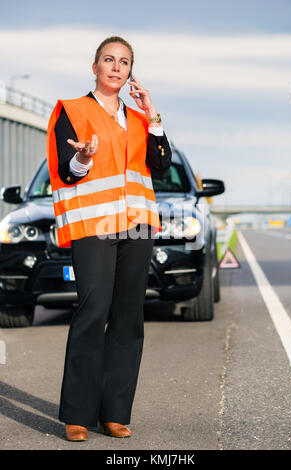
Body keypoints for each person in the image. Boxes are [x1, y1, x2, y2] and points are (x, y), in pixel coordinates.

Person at [46, 36, 172, 441]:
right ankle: (78, 415)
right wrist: (83, 156)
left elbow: (161, 165)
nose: (116, 67)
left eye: (124, 62)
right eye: (108, 60)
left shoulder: (139, 120)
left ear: (130, 71)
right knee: (92, 310)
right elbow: (67, 170)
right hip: (94, 227)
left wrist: (154, 118)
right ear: (95, 66)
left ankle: (115, 413)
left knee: (128, 318)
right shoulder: (72, 110)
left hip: (136, 227)